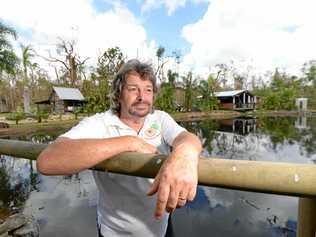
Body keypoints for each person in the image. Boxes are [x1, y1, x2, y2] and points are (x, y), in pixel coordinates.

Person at [36, 59, 202, 237]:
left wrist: (185, 153)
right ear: (118, 94)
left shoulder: (160, 118)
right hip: (113, 232)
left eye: (148, 90)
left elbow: (187, 138)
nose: (142, 97)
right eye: (133, 89)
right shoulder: (100, 123)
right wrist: (130, 142)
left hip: (161, 230)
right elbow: (47, 161)